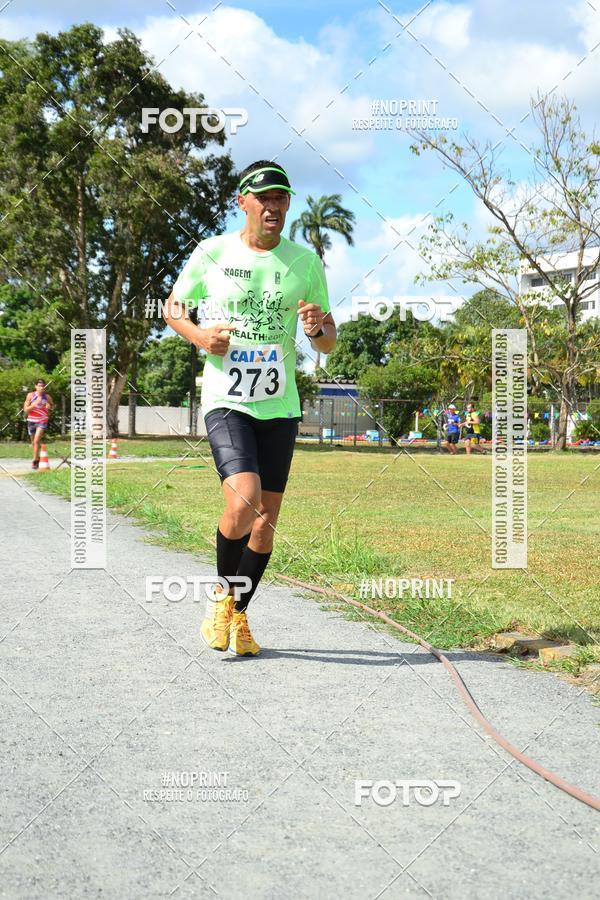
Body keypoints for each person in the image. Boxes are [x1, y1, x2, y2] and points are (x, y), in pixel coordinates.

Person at [163, 160, 337, 656]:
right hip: (227, 399)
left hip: (279, 405)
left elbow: (327, 341)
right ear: (243, 202)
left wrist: (315, 329)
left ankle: (236, 614)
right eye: (264, 198)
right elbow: (173, 306)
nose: (274, 207)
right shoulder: (212, 252)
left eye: (282, 198)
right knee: (243, 499)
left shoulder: (305, 263)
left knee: (267, 519)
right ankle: (223, 597)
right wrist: (199, 336)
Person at [24, 379, 53, 469]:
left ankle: (35, 460)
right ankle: (38, 457)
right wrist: (36, 403)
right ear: (35, 386)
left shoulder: (47, 397)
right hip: (31, 420)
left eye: (43, 385)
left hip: (42, 420)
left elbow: (52, 406)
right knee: (33, 442)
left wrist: (50, 406)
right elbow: (26, 410)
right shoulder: (30, 395)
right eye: (39, 385)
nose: (41, 387)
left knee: (36, 441)